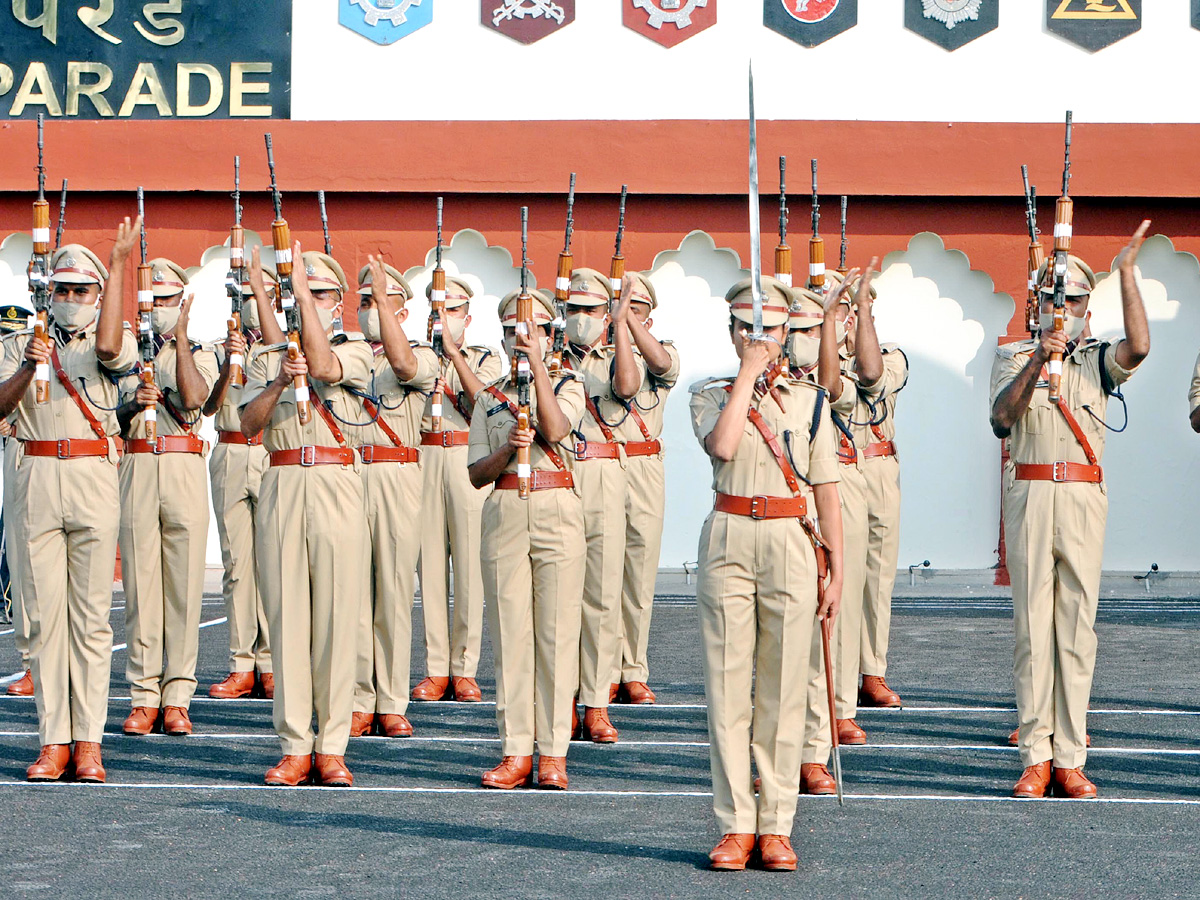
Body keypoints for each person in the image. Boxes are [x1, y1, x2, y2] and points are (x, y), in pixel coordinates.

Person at [990, 222, 1150, 800]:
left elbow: (1139, 348)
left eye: (1076, 300)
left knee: (1077, 631)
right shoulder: (1012, 356)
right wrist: (1039, 359)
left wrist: (1127, 275)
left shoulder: (1097, 359)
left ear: (1088, 305)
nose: (1066, 310)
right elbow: (1002, 419)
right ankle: (1036, 755)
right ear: (1036, 305)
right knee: (1034, 629)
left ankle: (1071, 756)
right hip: (1031, 491)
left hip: (1082, 494)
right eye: (1056, 299)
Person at [691, 276, 842, 872]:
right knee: (728, 690)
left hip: (791, 538)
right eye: (747, 329)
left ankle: (776, 823)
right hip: (729, 533)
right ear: (732, 334)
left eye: (772, 330)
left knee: (781, 691)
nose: (760, 338)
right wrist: (749, 378)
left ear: (786, 334)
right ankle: (734, 825)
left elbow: (827, 492)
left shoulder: (812, 402)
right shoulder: (712, 393)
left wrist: (836, 570)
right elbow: (723, 446)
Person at [0, 224, 141, 783]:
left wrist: (119, 262)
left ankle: (89, 741)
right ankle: (53, 739)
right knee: (41, 620)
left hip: (91, 472)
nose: (70, 300)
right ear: (47, 293)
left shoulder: (116, 335)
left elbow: (109, 350)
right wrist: (28, 367)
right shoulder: (17, 341)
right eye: (62, 290)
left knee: (89, 620)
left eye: (83, 290)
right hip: (34, 471)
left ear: (99, 295)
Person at [239, 243, 371, 787]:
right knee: (288, 618)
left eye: (318, 294)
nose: (308, 302)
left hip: (338, 481)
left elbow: (325, 366)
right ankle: (295, 743)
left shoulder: (359, 349)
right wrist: (276, 380)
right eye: (302, 292)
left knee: (338, 622)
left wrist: (297, 301)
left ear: (337, 302)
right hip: (283, 478)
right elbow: (248, 425)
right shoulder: (266, 358)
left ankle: (333, 745)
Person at [468, 287, 586, 790]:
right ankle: (516, 749)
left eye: (534, 328)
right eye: (515, 330)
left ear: (548, 332)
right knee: (511, 637)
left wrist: (538, 366)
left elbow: (557, 430)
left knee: (557, 636)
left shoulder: (569, 382)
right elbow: (476, 472)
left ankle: (554, 753)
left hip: (557, 504)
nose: (523, 337)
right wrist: (507, 451)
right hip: (505, 506)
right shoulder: (490, 397)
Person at [116, 259, 218, 737]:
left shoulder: (201, 350)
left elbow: (197, 398)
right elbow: (105, 413)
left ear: (183, 303)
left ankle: (177, 695)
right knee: (141, 586)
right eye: (152, 300)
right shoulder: (121, 351)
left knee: (183, 589)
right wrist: (131, 400)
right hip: (137, 461)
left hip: (182, 462)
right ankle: (142, 694)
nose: (159, 308)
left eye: (167, 301)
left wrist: (177, 338)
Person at [790, 271, 874, 793]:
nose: (799, 340)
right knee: (774, 649)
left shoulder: (817, 389)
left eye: (809, 329)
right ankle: (776, 753)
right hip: (774, 511)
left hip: (820, 508)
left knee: (822, 633)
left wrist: (831, 320)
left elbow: (832, 385)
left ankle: (814, 750)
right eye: (792, 329)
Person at [349, 257, 436, 738]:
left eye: (379, 303)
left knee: (396, 593)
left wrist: (383, 301)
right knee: (355, 594)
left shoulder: (422, 354)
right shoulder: (348, 352)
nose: (368, 311)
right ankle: (361, 696)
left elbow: (403, 366)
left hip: (397, 472)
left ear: (401, 312)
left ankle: (392, 699)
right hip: (349, 471)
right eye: (362, 302)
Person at [561, 268, 643, 742]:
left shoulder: (615, 355)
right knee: (558, 599)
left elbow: (628, 387)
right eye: (573, 310)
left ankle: (594, 702)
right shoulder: (546, 355)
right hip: (559, 474)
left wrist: (621, 325)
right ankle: (559, 701)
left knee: (601, 596)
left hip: (603, 472)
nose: (580, 320)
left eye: (590, 311)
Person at [413, 275, 502, 703]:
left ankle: (464, 668)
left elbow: (485, 401)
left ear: (467, 316)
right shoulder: (412, 356)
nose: (444, 319)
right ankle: (435, 668)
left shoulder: (485, 357)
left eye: (452, 311)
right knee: (429, 567)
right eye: (437, 311)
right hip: (425, 456)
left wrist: (452, 356)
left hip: (467, 453)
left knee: (469, 568)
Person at [206, 250, 282, 701]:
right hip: (233, 451)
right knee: (237, 565)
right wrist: (226, 364)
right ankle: (241, 662)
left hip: (270, 453)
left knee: (273, 561)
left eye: (263, 294)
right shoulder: (219, 347)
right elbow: (209, 406)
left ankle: (272, 660)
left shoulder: (281, 347)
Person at [610, 272, 679, 705]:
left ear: (648, 319)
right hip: (599, 464)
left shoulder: (663, 348)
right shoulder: (594, 358)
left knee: (638, 573)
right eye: (621, 308)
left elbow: (660, 366)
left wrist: (626, 322)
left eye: (638, 311)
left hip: (643, 464)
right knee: (598, 575)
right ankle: (599, 668)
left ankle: (632, 668)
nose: (627, 316)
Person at [0, 304, 33, 698]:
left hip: (38, 453)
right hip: (19, 451)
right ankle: (31, 661)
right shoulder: (13, 350)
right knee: (23, 557)